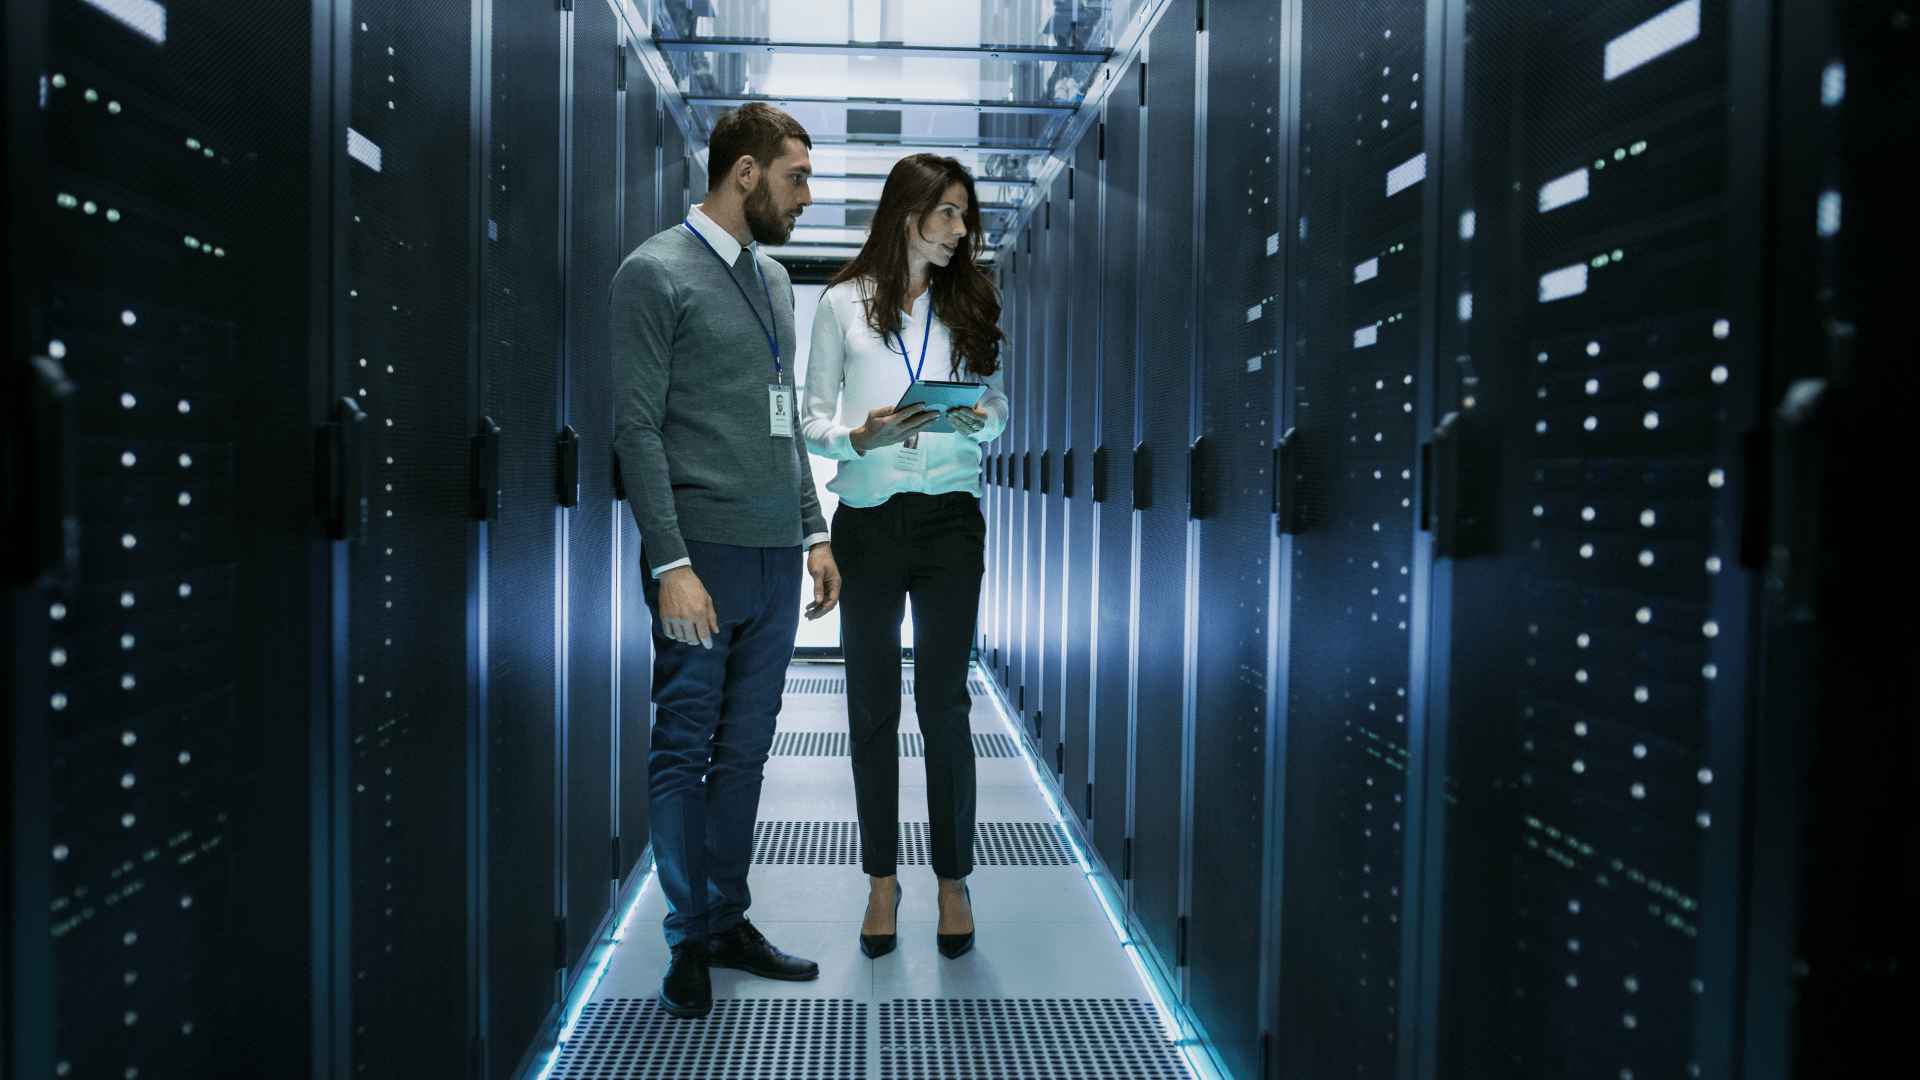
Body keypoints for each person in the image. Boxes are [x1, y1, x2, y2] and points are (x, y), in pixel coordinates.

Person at [611, 103, 841, 1019]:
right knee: (684, 747)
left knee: (745, 751)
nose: (806, 195)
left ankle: (727, 916)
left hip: (773, 554)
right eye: (795, 177)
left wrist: (815, 531)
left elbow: (783, 418)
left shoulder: (777, 282)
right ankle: (686, 937)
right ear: (744, 174)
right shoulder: (653, 273)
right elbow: (636, 429)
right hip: (698, 554)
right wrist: (669, 560)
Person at [799, 154, 1009, 960]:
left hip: (952, 519)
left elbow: (999, 406)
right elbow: (812, 419)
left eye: (965, 216)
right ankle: (881, 880)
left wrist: (978, 420)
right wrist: (859, 434)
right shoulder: (841, 306)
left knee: (945, 705)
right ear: (908, 213)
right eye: (948, 214)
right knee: (872, 707)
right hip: (870, 521)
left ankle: (952, 879)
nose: (961, 231)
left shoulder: (972, 302)